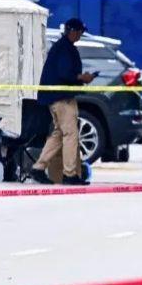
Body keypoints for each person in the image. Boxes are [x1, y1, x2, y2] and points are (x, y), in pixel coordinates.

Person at [29, 18, 95, 186]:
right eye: (79, 32)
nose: (80, 36)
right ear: (73, 31)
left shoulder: (61, 47)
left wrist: (81, 78)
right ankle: (69, 174)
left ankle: (38, 168)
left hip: (55, 97)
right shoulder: (65, 49)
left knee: (59, 133)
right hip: (62, 98)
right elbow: (65, 73)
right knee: (71, 134)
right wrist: (83, 77)